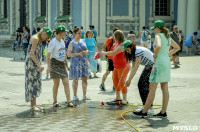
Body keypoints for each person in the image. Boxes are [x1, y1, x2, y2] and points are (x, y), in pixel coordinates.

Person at [133, 20, 180, 118]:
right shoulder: (167, 37)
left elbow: (158, 46)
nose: (154, 30)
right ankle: (163, 112)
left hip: (158, 63)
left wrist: (155, 54)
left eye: (154, 28)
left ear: (157, 28)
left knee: (152, 88)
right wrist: (167, 54)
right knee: (165, 87)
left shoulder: (158, 36)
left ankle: (144, 111)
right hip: (166, 62)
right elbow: (177, 48)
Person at [25, 27, 53, 111]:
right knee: (32, 83)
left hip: (35, 64)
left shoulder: (39, 39)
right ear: (44, 33)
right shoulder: (35, 39)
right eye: (47, 37)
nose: (47, 39)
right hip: (31, 65)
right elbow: (31, 54)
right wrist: (39, 65)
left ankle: (34, 105)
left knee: (35, 83)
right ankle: (33, 106)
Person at [123, 40, 154, 114]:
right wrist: (128, 79)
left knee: (142, 84)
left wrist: (129, 80)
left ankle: (148, 108)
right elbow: (133, 68)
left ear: (131, 47)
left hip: (153, 65)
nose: (127, 52)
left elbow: (136, 68)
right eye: (126, 51)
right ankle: (148, 107)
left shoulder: (137, 51)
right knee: (143, 85)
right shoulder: (134, 53)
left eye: (128, 50)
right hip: (149, 65)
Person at [47, 25, 74, 107]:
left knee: (66, 82)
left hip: (62, 64)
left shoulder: (62, 41)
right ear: (60, 32)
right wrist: (48, 67)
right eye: (64, 32)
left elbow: (64, 53)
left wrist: (67, 64)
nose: (66, 33)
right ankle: (55, 101)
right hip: (54, 63)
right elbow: (48, 55)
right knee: (56, 84)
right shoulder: (53, 42)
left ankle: (69, 101)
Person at [101, 30, 130, 104]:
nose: (113, 37)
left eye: (114, 36)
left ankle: (125, 99)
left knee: (122, 83)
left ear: (117, 37)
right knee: (116, 82)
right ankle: (118, 98)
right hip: (116, 66)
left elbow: (113, 53)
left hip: (123, 67)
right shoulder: (117, 44)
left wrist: (104, 53)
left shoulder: (122, 45)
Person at [67, 27, 91, 101]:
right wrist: (79, 54)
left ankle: (84, 95)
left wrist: (86, 52)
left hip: (83, 62)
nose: (80, 34)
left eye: (81, 33)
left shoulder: (83, 41)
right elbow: (68, 54)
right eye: (79, 33)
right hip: (75, 63)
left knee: (85, 78)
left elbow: (87, 50)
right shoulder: (72, 43)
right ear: (75, 34)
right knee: (76, 79)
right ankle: (75, 95)